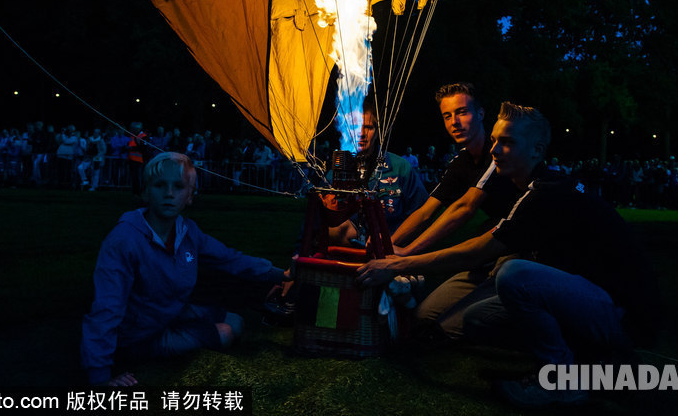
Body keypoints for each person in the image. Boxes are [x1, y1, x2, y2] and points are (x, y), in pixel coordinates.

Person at [357, 103, 659, 408]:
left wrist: (400, 262)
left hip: (618, 312)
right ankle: (586, 358)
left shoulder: (545, 193)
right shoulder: (529, 187)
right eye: (495, 141)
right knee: (477, 319)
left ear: (537, 150)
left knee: (514, 274)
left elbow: (476, 251)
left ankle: (564, 378)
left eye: (508, 142)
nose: (496, 150)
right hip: (587, 297)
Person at [81, 152, 287, 386]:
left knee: (237, 323)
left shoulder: (187, 232)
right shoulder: (124, 241)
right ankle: (136, 351)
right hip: (137, 335)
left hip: (168, 313)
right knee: (226, 333)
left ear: (190, 196)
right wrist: (100, 374)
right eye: (160, 185)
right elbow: (107, 307)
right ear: (146, 191)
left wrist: (281, 274)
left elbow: (230, 259)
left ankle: (183, 329)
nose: (169, 194)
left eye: (178, 186)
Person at [389, 83, 519, 338]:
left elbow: (465, 207)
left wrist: (408, 253)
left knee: (452, 326)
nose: (454, 122)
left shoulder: (497, 153)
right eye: (447, 116)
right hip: (490, 250)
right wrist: (388, 244)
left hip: (519, 251)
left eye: (462, 112)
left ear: (481, 114)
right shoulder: (460, 161)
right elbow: (427, 210)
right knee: (425, 316)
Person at [323, 98, 428, 245]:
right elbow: (318, 222)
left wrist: (394, 242)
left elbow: (422, 215)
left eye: (368, 127)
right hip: (349, 257)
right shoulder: (335, 173)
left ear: (378, 132)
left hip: (393, 254)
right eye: (355, 127)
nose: (361, 133)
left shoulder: (400, 168)